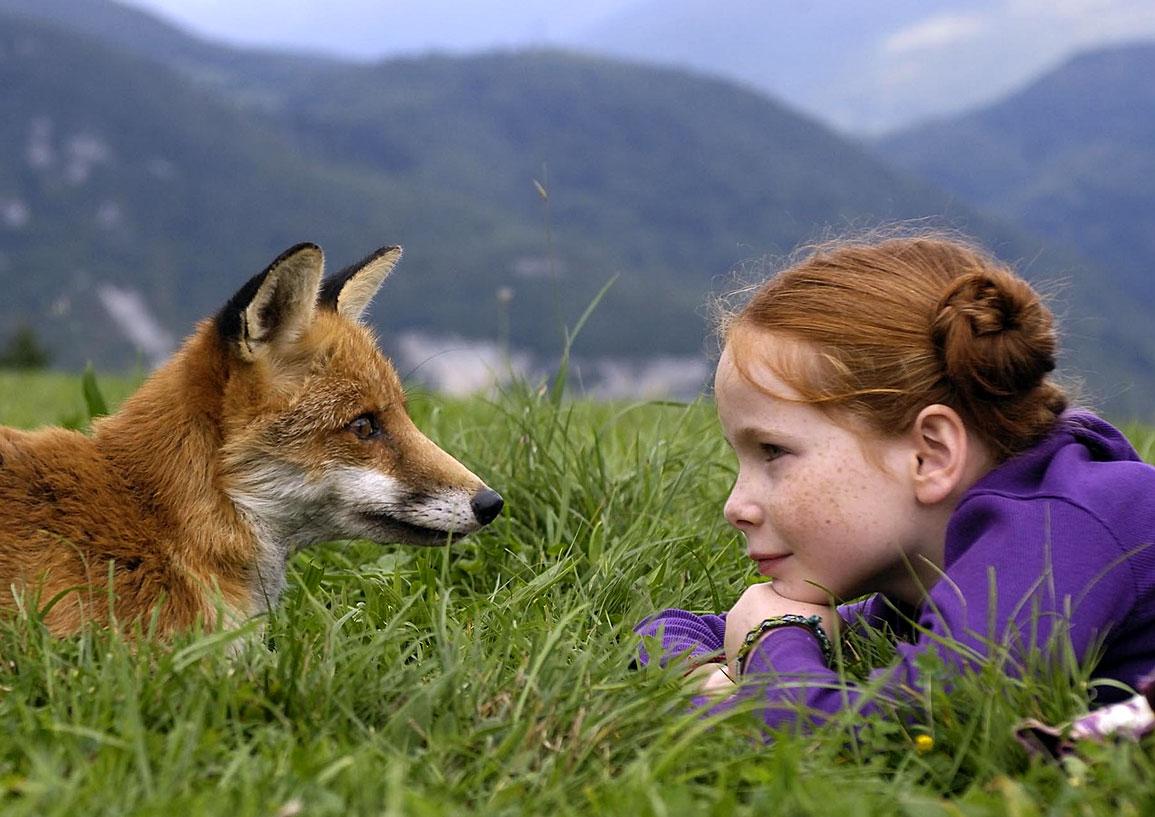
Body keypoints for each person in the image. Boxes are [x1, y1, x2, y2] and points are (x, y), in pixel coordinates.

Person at [635, 235, 1155, 732]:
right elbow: (667, 631)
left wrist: (771, 646)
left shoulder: (1056, 536)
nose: (736, 506)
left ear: (931, 454)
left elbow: (898, 734)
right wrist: (717, 676)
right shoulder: (929, 570)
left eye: (773, 451)